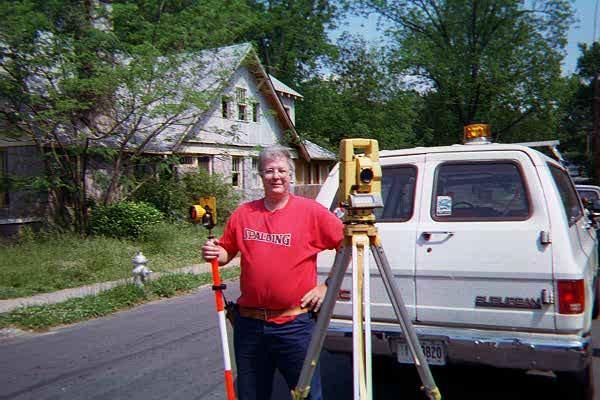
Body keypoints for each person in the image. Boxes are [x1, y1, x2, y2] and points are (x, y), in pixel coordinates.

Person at [202, 145, 343, 400]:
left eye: (281, 170)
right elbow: (226, 253)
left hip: (294, 325)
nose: (275, 176)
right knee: (251, 394)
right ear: (261, 176)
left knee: (307, 394)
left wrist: (326, 286)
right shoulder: (244, 213)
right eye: (269, 171)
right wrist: (215, 253)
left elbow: (347, 246)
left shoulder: (311, 212)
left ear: (291, 175)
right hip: (250, 326)